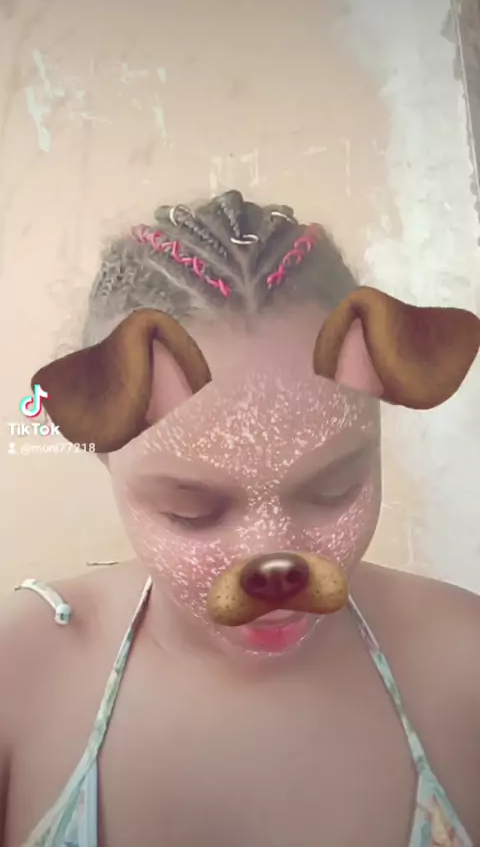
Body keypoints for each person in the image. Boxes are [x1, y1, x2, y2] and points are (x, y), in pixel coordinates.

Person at [0, 190, 479, 847]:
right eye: (191, 512)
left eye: (333, 489)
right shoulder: (18, 676)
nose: (273, 557)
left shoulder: (465, 661)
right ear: (103, 450)